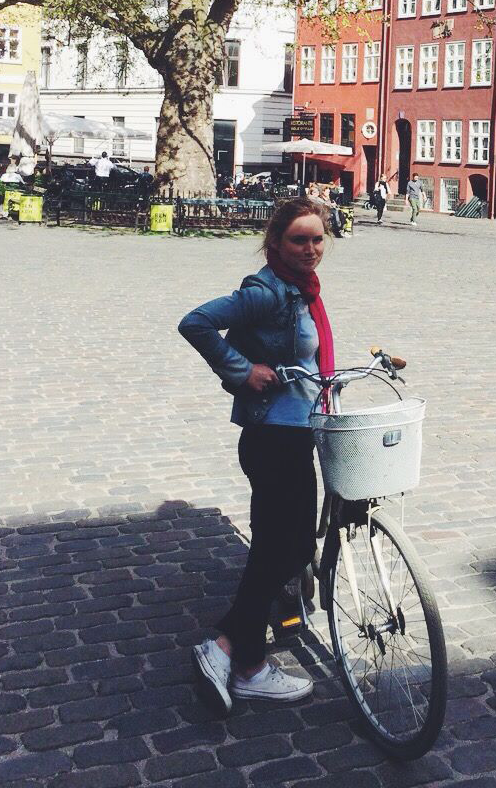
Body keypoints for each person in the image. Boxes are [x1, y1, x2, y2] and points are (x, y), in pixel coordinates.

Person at [178, 197, 333, 714]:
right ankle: (239, 659)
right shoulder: (266, 292)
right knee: (282, 548)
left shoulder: (301, 289)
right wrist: (242, 370)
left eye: (317, 239)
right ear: (275, 243)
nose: (310, 249)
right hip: (273, 435)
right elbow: (196, 322)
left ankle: (233, 651)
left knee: (285, 546)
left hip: (296, 430)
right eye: (298, 240)